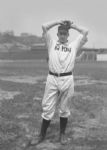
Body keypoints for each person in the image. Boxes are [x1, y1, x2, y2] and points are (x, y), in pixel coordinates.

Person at [31, 20, 88, 145]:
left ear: (68, 35)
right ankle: (41, 135)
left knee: (64, 108)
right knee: (47, 108)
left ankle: (62, 135)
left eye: (65, 33)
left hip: (67, 79)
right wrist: (58, 21)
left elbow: (85, 32)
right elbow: (44, 26)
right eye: (60, 33)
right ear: (57, 34)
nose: (62, 35)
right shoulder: (51, 43)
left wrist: (72, 26)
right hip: (52, 78)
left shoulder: (73, 45)